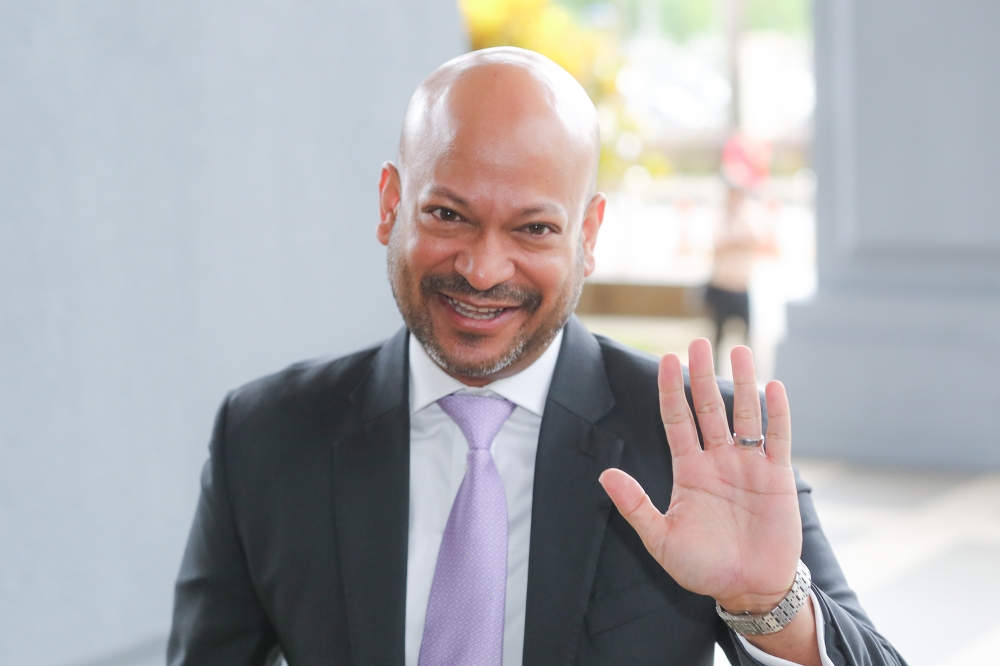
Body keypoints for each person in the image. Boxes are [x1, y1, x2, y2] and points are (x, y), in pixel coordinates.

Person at [167, 48, 905, 666]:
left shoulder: (699, 441)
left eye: (534, 229)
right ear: (391, 205)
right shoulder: (265, 437)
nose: (484, 269)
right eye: (448, 214)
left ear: (589, 235)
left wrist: (769, 607)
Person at [705, 185, 759, 365]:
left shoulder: (749, 217)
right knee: (717, 337)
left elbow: (755, 240)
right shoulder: (718, 216)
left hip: (740, 286)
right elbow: (718, 245)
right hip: (721, 286)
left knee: (747, 339)